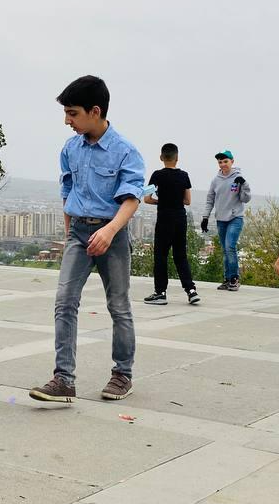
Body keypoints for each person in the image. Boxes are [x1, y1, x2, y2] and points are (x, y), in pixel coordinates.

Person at [31, 76, 145, 403]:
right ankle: (63, 379)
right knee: (64, 302)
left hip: (113, 234)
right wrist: (71, 232)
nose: (67, 120)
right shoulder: (70, 149)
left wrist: (109, 231)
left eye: (73, 113)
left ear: (95, 111)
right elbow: (68, 191)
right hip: (79, 234)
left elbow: (131, 199)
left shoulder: (126, 152)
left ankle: (122, 374)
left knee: (119, 305)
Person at [143, 143, 200, 306]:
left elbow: (146, 198)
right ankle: (191, 291)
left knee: (161, 255)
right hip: (180, 218)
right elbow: (187, 201)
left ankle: (160, 293)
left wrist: (160, 201)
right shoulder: (184, 176)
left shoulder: (156, 175)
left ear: (161, 158)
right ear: (177, 158)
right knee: (180, 256)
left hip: (165, 218)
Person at [200, 150, 251, 291]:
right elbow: (210, 199)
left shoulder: (238, 177)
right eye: (220, 162)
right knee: (225, 250)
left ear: (232, 161)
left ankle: (234, 278)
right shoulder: (216, 180)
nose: (223, 164)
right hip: (221, 219)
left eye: (225, 161)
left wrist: (244, 185)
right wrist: (205, 217)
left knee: (230, 247)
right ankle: (227, 279)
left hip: (235, 218)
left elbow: (245, 199)